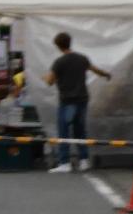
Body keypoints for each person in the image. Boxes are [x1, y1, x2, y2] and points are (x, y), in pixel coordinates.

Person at [43, 30, 112, 173]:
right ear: (69, 43)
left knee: (64, 131)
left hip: (67, 100)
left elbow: (50, 81)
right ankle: (84, 160)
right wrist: (106, 74)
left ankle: (64, 162)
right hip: (82, 99)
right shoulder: (82, 58)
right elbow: (95, 70)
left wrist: (44, 77)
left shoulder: (59, 62)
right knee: (80, 130)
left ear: (58, 46)